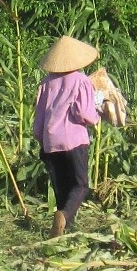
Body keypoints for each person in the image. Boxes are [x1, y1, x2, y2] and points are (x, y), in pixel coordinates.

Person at [33, 35, 103, 238]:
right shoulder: (81, 80)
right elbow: (84, 113)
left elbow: (39, 118)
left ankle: (64, 228)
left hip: (50, 142)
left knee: (61, 187)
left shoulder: (46, 83)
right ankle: (63, 216)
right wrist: (97, 115)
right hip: (73, 140)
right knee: (80, 184)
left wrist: (41, 139)